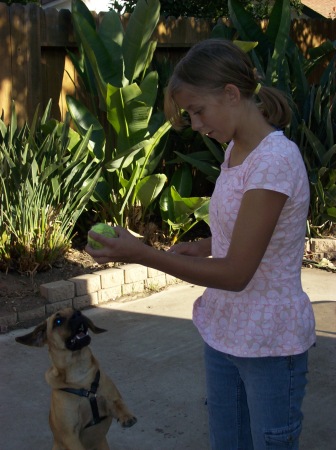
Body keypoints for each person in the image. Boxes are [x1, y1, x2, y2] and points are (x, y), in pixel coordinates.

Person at [86, 39, 316, 449]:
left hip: (269, 343)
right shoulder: (235, 151)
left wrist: (144, 255)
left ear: (231, 94)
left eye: (198, 110)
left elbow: (237, 273)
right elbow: (257, 232)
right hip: (225, 331)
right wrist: (207, 245)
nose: (195, 124)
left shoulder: (275, 160)